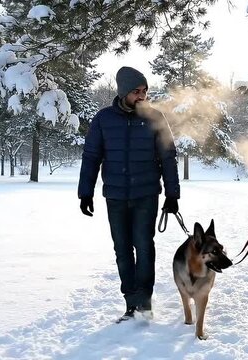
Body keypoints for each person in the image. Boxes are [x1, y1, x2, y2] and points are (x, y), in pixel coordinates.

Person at [78, 66, 180, 321]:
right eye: (136, 91)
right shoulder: (103, 119)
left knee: (144, 247)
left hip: (146, 194)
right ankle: (131, 303)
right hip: (115, 196)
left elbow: (168, 157)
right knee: (122, 249)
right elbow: (91, 156)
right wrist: (85, 192)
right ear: (124, 92)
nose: (142, 96)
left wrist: (172, 194)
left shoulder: (155, 118)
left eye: (145, 91)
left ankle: (144, 302)